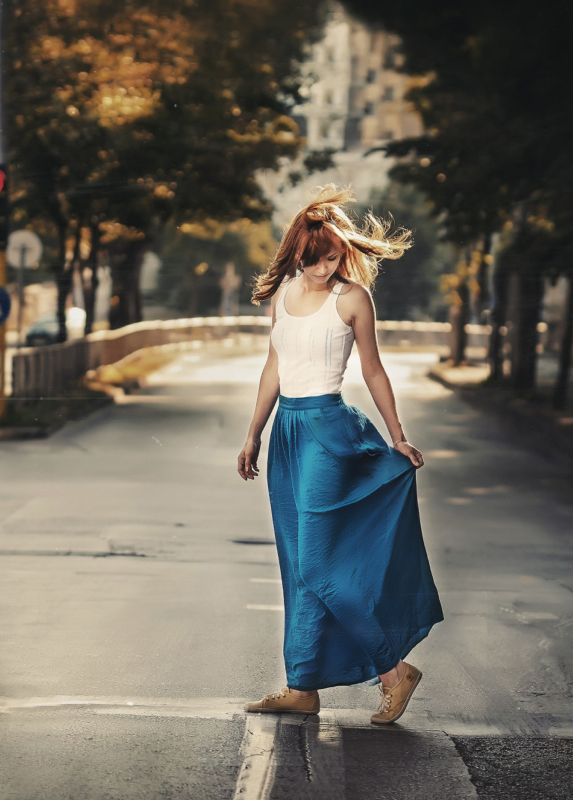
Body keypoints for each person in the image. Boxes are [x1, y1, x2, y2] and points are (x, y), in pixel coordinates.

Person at [237, 185, 443, 725]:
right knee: (296, 563)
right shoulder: (282, 295)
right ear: (297, 254)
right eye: (315, 258)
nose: (325, 266)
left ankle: (395, 672)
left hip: (329, 430)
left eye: (333, 256)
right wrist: (253, 433)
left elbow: (372, 369)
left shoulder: (352, 299)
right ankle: (302, 684)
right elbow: (273, 369)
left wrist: (397, 435)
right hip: (287, 434)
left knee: (319, 563)